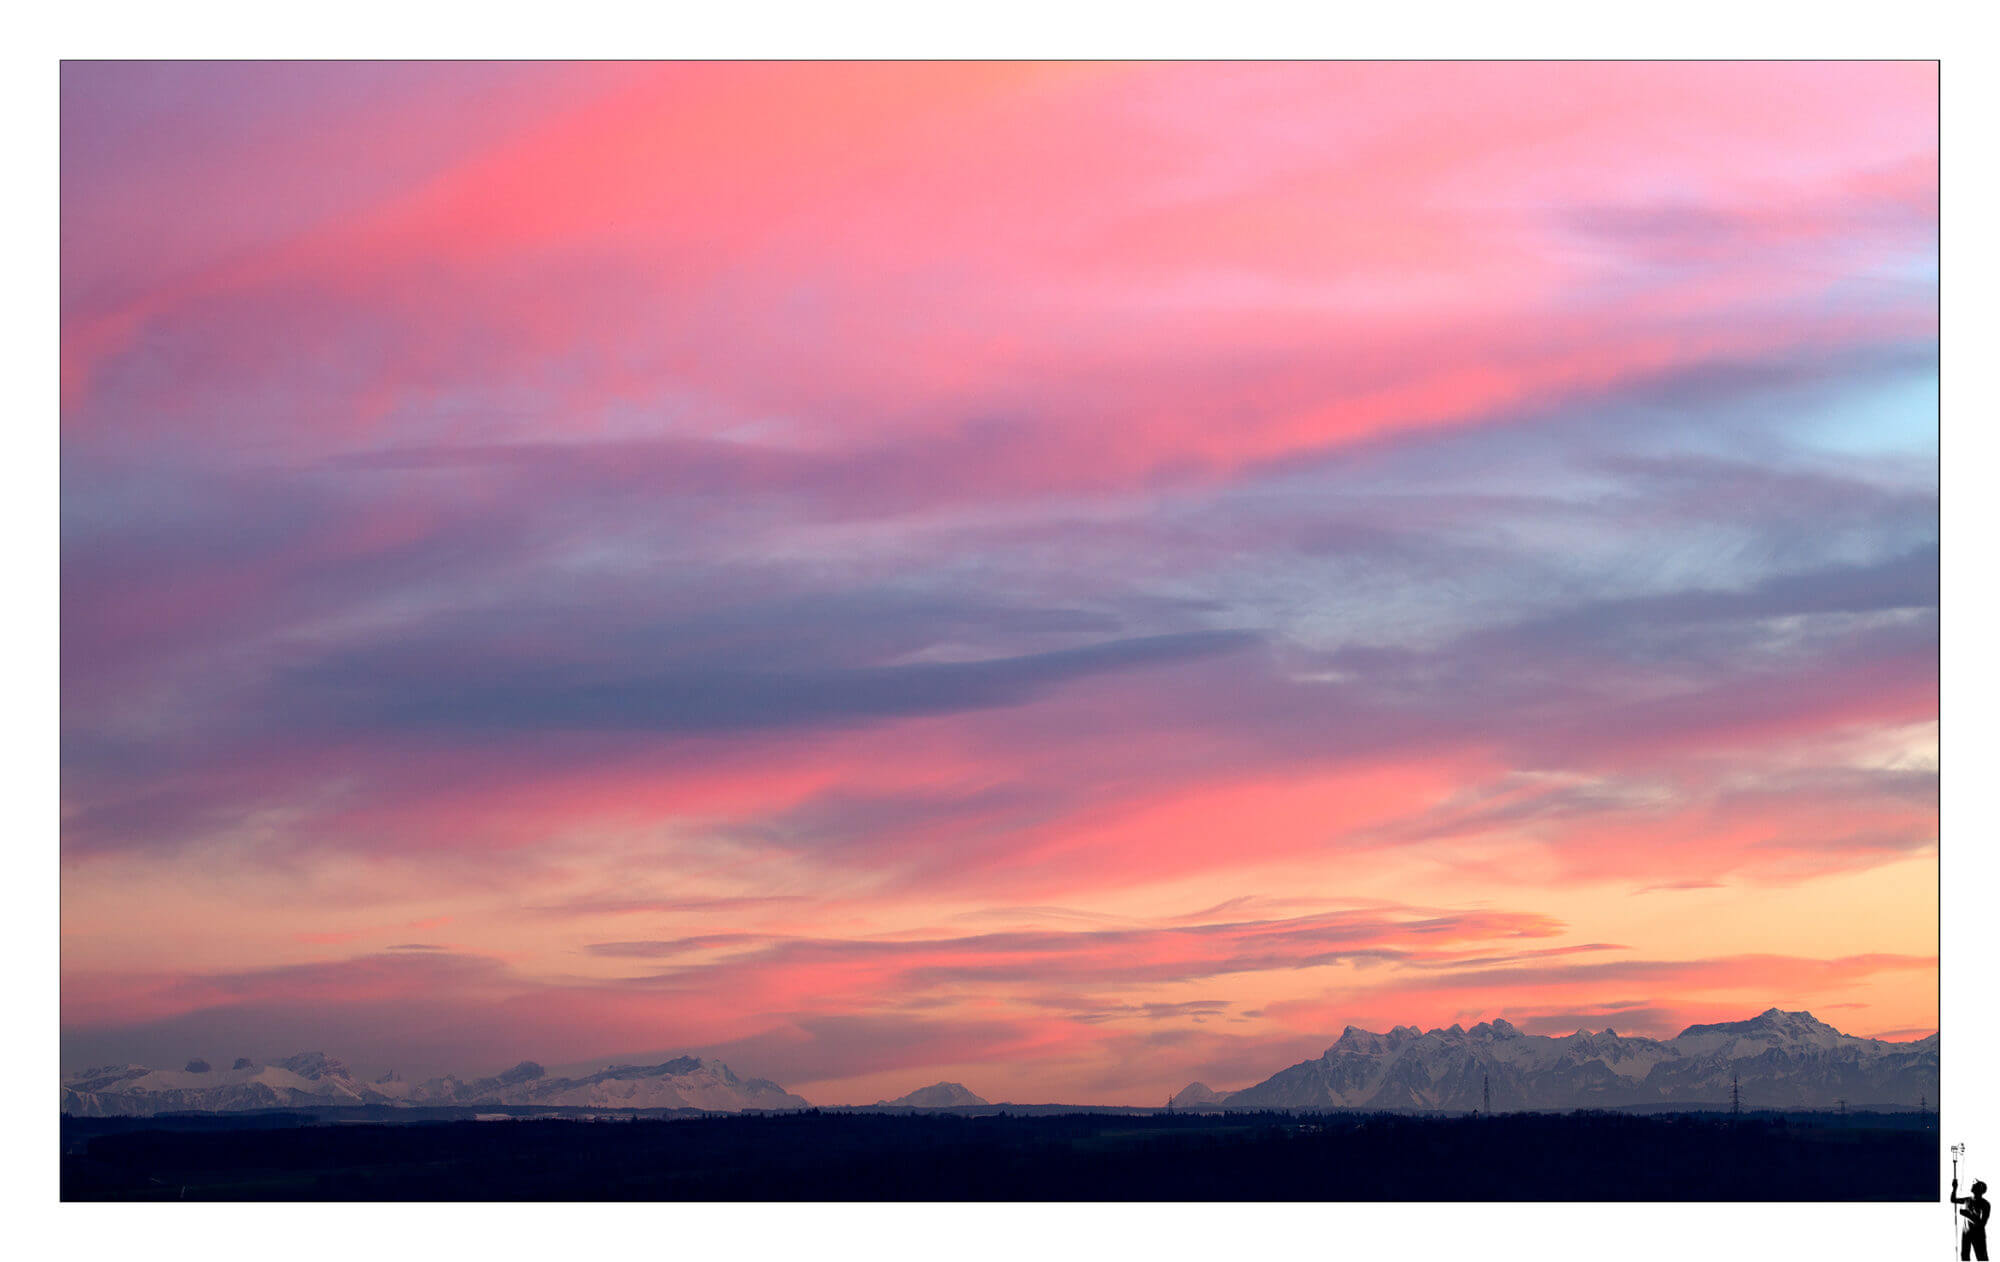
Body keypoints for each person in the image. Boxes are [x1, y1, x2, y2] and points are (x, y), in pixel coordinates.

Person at [1953, 1177, 1991, 1260]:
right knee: (1965, 1257)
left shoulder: (1985, 1204)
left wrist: (1968, 1215)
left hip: (1978, 1235)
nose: (1972, 1185)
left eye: (1975, 1185)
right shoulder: (1968, 1199)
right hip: (1966, 1233)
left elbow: (1982, 1224)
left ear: (1979, 1190)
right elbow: (1953, 1200)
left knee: (1982, 1258)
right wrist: (1954, 1188)